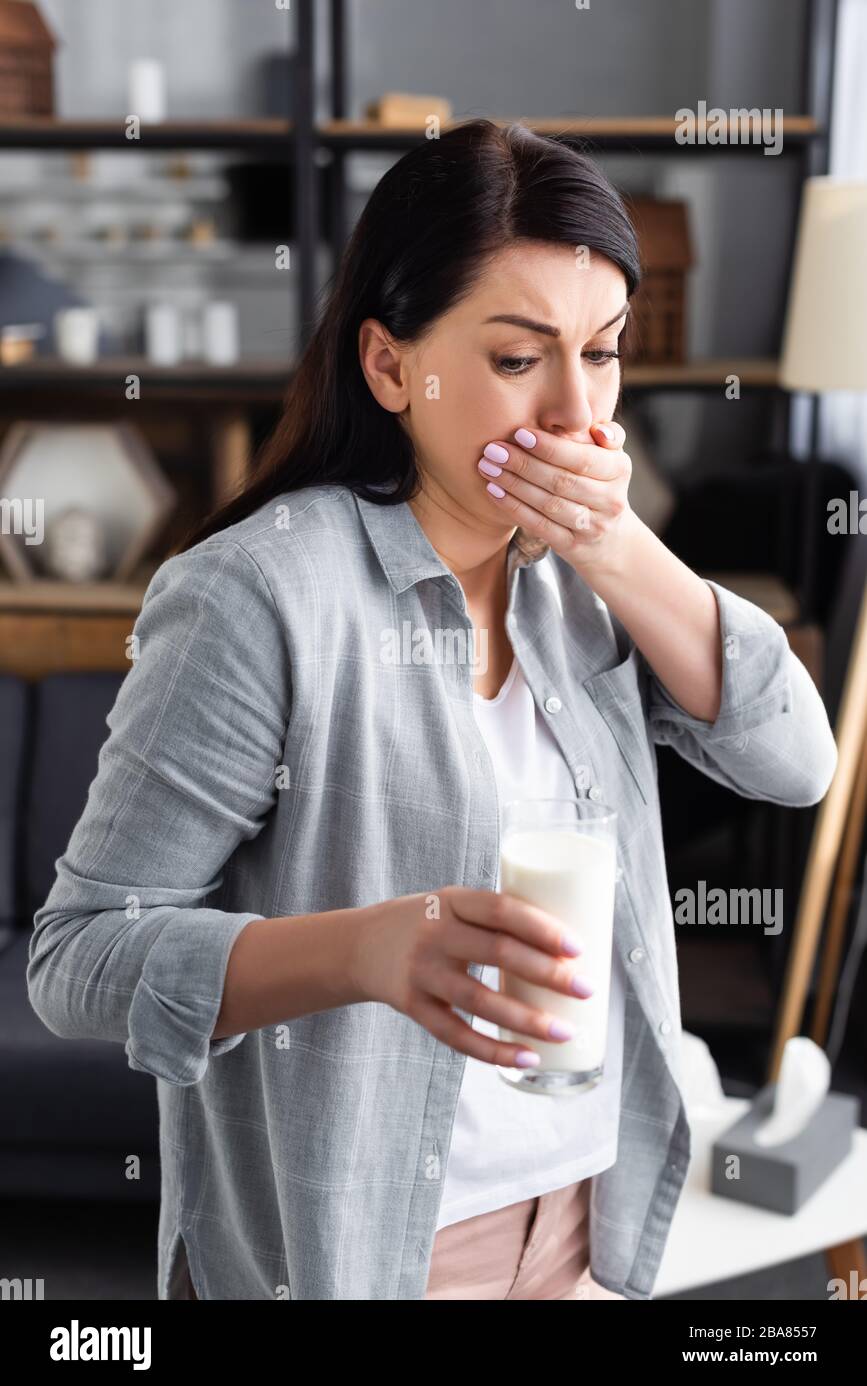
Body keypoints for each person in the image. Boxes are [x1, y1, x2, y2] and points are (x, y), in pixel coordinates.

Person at [28, 119, 837, 1301]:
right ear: (392, 364)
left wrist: (620, 546)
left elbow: (797, 759)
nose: (577, 413)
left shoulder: (585, 581)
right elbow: (78, 955)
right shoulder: (259, 596)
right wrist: (366, 949)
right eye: (518, 360)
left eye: (602, 353)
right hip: (359, 1249)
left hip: (574, 1220)